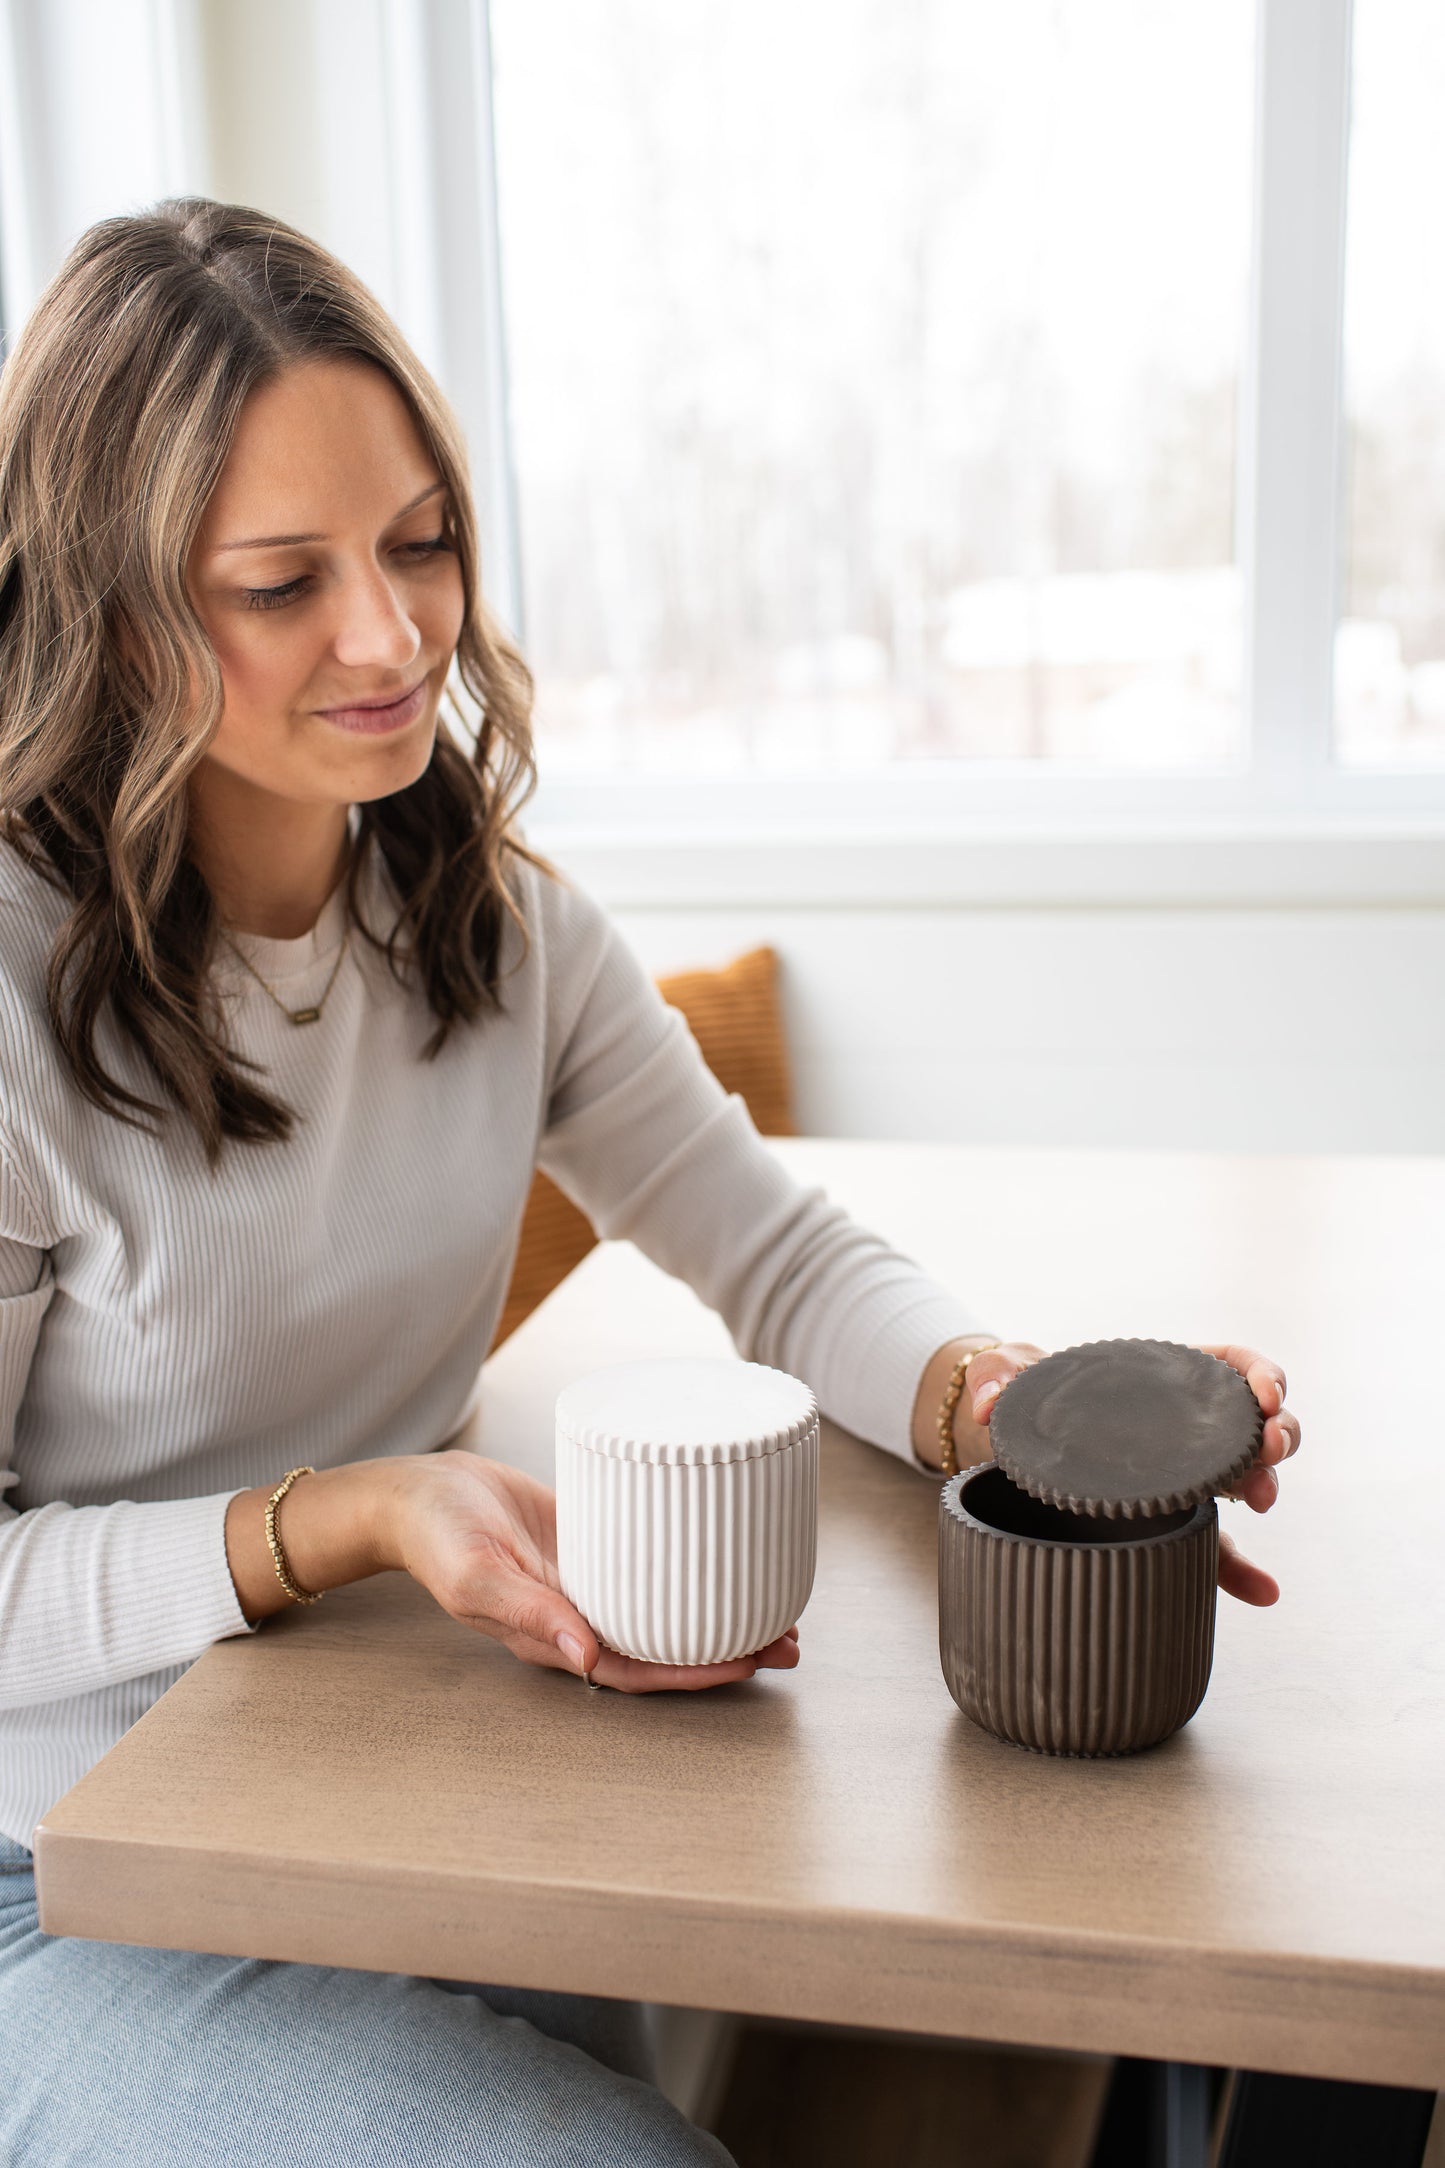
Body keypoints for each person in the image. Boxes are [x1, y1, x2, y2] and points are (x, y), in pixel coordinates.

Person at [0, 199, 1297, 2167]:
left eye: (421, 541)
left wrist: (1007, 1410)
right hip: (63, 1874)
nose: (393, 635)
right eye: (284, 582)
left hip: (394, 1778)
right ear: (105, 603)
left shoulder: (486, 927)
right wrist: (348, 1517)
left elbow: (767, 1248)